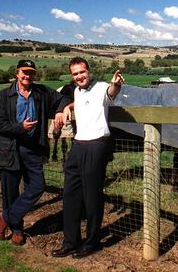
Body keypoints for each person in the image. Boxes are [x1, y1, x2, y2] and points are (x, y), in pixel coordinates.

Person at [0, 59, 71, 246]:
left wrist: (61, 110)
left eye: (31, 73)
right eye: (24, 72)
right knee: (10, 191)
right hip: (9, 148)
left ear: (34, 75)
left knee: (37, 186)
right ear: (17, 74)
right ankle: (17, 230)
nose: (27, 76)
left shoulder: (42, 92)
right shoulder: (5, 95)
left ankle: (5, 216)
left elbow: (64, 97)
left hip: (33, 149)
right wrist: (21, 128)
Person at [52, 57, 124, 259]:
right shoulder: (76, 90)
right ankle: (70, 242)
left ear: (88, 71)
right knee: (70, 195)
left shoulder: (102, 87)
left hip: (96, 144)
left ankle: (92, 242)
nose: (79, 76)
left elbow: (111, 93)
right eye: (75, 74)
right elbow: (81, 101)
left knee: (92, 195)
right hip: (78, 145)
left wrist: (115, 85)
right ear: (72, 76)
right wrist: (68, 107)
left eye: (82, 72)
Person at [48, 82, 77, 163]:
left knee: (58, 136)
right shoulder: (75, 91)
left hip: (59, 113)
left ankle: (55, 153)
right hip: (65, 113)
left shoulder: (60, 89)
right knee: (68, 136)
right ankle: (65, 155)